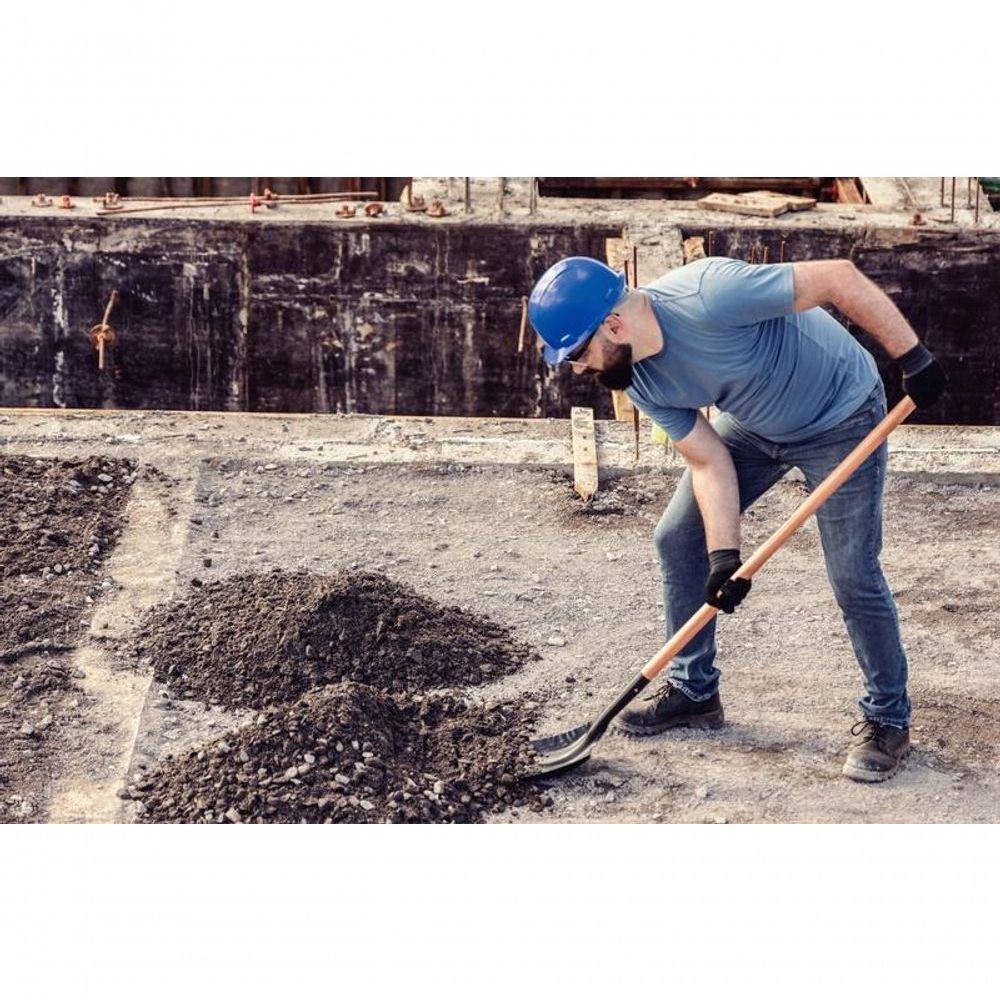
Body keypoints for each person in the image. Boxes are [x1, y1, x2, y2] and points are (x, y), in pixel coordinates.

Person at [528, 254, 947, 782]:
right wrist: (724, 557)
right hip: (753, 425)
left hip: (841, 415)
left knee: (853, 574)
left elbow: (838, 278)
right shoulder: (637, 379)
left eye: (579, 353)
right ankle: (693, 690)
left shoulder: (710, 293)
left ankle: (888, 718)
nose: (579, 368)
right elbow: (708, 460)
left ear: (614, 324)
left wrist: (912, 356)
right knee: (678, 538)